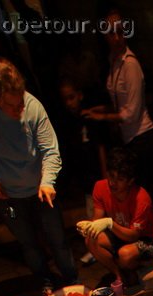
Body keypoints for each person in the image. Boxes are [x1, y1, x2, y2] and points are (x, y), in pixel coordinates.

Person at [0, 56, 77, 293]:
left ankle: (71, 282)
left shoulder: (33, 106)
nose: (19, 110)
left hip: (40, 188)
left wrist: (48, 181)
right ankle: (44, 281)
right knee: (28, 243)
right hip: (6, 192)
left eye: (21, 104)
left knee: (57, 239)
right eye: (11, 106)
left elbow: (50, 150)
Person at [82, 10, 153, 229]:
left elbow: (131, 112)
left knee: (142, 189)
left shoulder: (131, 64)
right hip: (129, 137)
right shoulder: (113, 61)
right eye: (112, 33)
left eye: (120, 32)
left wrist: (103, 116)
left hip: (143, 135)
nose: (117, 37)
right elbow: (118, 101)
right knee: (140, 187)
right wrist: (99, 109)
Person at [77, 147, 153, 288]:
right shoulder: (100, 187)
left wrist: (110, 223)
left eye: (120, 179)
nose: (113, 183)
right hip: (119, 234)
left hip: (147, 239)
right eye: (111, 176)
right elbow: (97, 219)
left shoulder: (141, 197)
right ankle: (119, 276)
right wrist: (89, 227)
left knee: (125, 255)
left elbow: (133, 236)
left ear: (130, 181)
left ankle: (141, 267)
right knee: (91, 239)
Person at [57, 77, 108, 265]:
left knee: (99, 213)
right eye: (66, 99)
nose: (69, 103)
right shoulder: (67, 121)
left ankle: (100, 247)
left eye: (72, 97)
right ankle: (96, 247)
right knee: (91, 211)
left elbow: (100, 146)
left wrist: (105, 174)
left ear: (79, 96)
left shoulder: (90, 117)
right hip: (84, 176)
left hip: (96, 173)